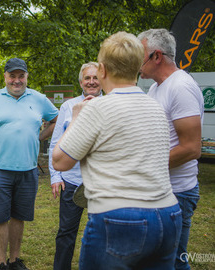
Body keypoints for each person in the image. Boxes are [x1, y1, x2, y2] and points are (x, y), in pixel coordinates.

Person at [52, 31, 182, 269]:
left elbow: (60, 161)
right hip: (168, 214)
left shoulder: (95, 109)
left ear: (102, 70)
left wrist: (75, 118)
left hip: (119, 218)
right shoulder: (155, 107)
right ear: (136, 67)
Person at [0, 58, 58, 270]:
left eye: (21, 76)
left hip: (28, 170)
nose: (16, 80)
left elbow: (56, 119)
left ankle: (14, 260)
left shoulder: (38, 98)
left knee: (19, 216)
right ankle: (1, 263)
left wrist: (40, 137)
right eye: (12, 76)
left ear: (27, 76)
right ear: (5, 77)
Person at [138, 28, 204, 270]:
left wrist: (143, 166)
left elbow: (191, 148)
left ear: (156, 56)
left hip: (177, 193)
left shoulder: (181, 87)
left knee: (173, 262)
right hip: (157, 190)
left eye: (140, 55)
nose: (136, 62)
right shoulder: (156, 87)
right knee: (156, 260)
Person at [48, 62, 101, 270]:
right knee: (66, 233)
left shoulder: (111, 104)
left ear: (102, 80)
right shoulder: (68, 107)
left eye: (95, 77)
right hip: (71, 180)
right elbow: (55, 143)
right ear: (81, 82)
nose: (91, 82)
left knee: (100, 233)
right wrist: (55, 176)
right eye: (87, 78)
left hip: (101, 182)